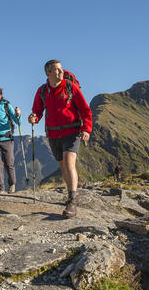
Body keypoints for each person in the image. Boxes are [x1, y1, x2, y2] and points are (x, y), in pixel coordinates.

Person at [28, 59, 92, 218]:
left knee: (69, 162)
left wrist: (86, 129)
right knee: (63, 166)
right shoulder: (42, 91)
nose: (61, 72)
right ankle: (71, 192)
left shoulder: (71, 88)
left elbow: (86, 111)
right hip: (53, 134)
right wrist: (34, 118)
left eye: (61, 68)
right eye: (56, 70)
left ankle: (72, 201)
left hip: (72, 132)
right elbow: (37, 111)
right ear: (48, 73)